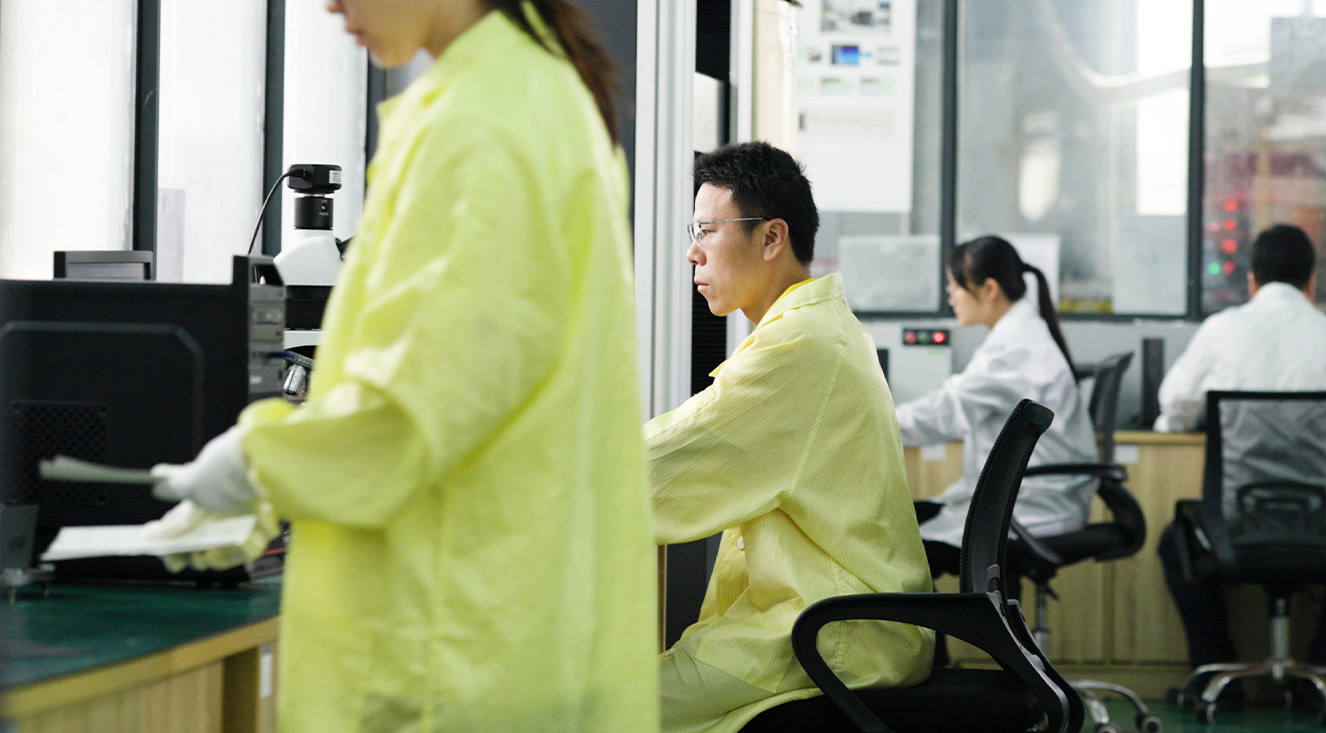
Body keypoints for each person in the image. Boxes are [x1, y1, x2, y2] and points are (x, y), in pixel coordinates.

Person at [140, 1, 654, 730]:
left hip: (449, 657)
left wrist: (259, 459)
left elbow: (420, 408)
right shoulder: (530, 96)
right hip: (504, 621)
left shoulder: (487, 122)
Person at [648, 141, 934, 732]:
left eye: (706, 231)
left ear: (771, 238)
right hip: (823, 619)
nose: (692, 251)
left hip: (831, 633)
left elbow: (672, 455)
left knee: (600, 710)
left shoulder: (800, 345)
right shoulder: (812, 328)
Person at [1153, 223, 1326, 706]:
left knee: (1175, 543)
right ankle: (1324, 677)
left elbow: (1174, 407)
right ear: (1312, 283)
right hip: (1323, 529)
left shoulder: (1220, 331)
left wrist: (1182, 421)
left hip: (1233, 529)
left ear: (1252, 281)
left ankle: (1220, 681)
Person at [895, 236, 1098, 576]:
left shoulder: (1015, 349)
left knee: (898, 547)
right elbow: (953, 403)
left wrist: (873, 422)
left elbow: (945, 413)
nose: (951, 297)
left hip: (1030, 507)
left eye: (955, 287)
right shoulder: (1019, 337)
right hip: (1032, 499)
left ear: (989, 289)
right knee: (903, 524)